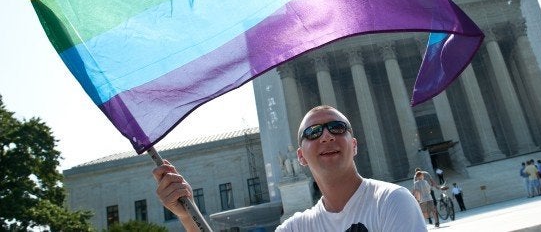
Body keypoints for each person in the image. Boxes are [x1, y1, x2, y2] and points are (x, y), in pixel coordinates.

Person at [153, 105, 427, 231]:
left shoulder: (392, 202)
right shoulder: (296, 228)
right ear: (300, 157)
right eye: (313, 132)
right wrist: (188, 216)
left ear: (353, 145)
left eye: (337, 128)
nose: (327, 136)